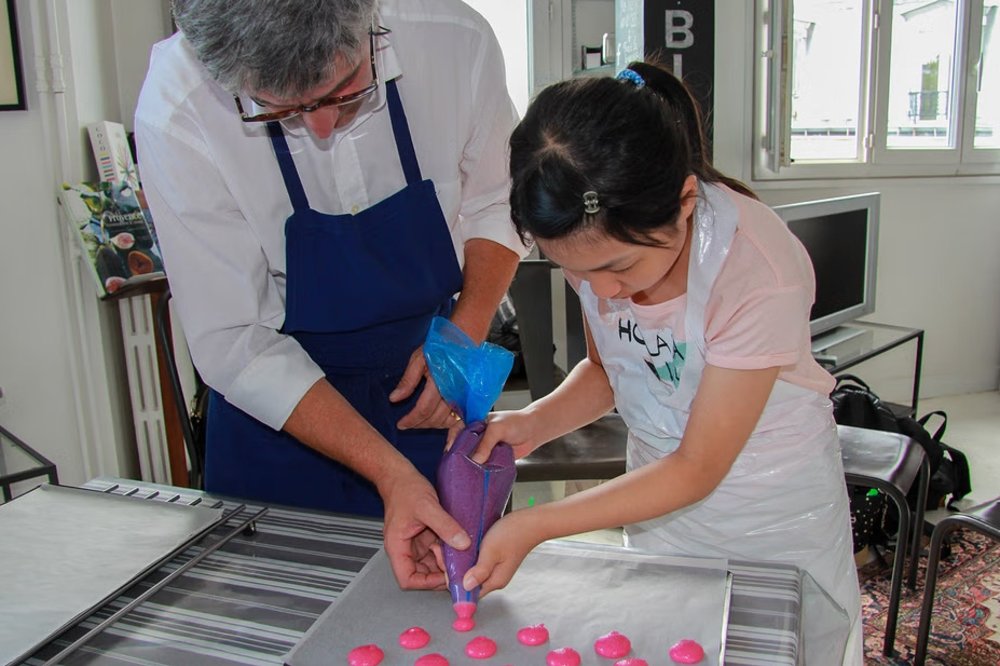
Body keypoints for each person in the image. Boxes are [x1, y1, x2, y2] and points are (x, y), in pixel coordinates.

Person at [461, 62, 863, 664]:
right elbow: (611, 372)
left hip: (771, 515)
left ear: (685, 202)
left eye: (619, 268)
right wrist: (532, 424)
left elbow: (699, 466)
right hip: (656, 501)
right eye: (576, 270)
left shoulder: (755, 270)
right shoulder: (597, 244)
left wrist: (536, 525)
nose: (602, 292)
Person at [134, 0, 526, 590]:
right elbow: (232, 339)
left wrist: (463, 336)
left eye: (343, 90)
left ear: (370, 20)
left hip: (426, 393)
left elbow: (499, 202)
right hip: (276, 416)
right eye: (277, 108)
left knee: (448, 610)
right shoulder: (178, 106)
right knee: (275, 616)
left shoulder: (452, 40)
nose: (318, 127)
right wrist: (388, 474)